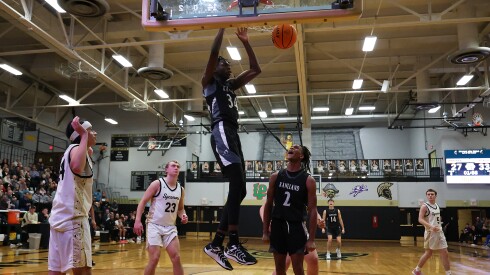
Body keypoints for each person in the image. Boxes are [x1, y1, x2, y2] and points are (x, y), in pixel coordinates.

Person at [202, 27, 261, 271]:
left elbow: (256, 69)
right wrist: (222, 26)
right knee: (237, 184)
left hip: (233, 133)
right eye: (224, 64)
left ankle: (217, 243)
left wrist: (246, 42)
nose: (229, 67)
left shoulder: (230, 85)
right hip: (221, 130)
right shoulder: (209, 83)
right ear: (215, 67)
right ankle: (233, 243)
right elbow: (214, 52)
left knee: (242, 189)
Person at [48, 116, 97, 275]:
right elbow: (76, 167)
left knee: (56, 271)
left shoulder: (70, 151)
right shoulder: (76, 149)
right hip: (73, 220)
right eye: (90, 130)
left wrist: (86, 147)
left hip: (59, 218)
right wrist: (84, 137)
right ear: (80, 134)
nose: (95, 133)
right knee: (83, 271)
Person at [262, 144, 318, 275]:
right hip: (277, 224)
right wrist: (265, 231)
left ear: (302, 156)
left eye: (296, 147)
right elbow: (268, 204)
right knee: (279, 268)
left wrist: (311, 239)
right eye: (290, 147)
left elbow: (313, 210)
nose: (291, 148)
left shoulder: (308, 180)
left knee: (298, 268)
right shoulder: (276, 176)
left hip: (296, 226)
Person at [133, 160, 188, 275]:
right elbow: (143, 202)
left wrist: (183, 215)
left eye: (178, 166)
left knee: (176, 258)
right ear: (166, 170)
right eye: (173, 166)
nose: (176, 168)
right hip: (154, 225)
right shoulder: (157, 184)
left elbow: (180, 209)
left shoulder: (180, 189)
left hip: (170, 227)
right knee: (154, 258)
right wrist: (137, 220)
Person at [259, 203, 323, 275]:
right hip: (282, 228)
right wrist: (266, 223)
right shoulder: (279, 193)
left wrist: (319, 219)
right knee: (285, 263)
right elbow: (264, 207)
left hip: (299, 228)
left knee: (313, 259)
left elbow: (312, 208)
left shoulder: (304, 193)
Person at [412, 189, 451, 275]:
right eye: (428, 194)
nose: (430, 196)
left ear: (435, 196)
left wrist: (438, 223)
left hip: (439, 231)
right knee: (428, 253)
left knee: (445, 252)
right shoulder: (424, 206)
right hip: (430, 232)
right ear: (426, 196)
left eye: (432, 194)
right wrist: (431, 226)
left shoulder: (436, 205)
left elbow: (435, 218)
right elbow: (420, 219)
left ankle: (448, 273)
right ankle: (417, 270)